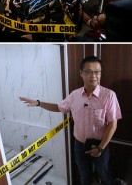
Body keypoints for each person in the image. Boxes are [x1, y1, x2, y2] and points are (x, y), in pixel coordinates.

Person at [20, 56, 122, 185]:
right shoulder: (74, 95)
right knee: (85, 177)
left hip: (100, 144)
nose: (94, 76)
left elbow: (113, 124)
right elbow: (59, 107)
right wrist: (39, 103)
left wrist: (101, 148)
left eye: (97, 72)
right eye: (89, 72)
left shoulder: (109, 95)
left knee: (105, 175)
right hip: (79, 146)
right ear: (81, 73)